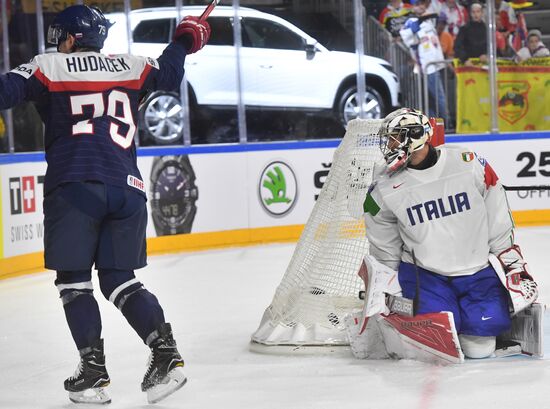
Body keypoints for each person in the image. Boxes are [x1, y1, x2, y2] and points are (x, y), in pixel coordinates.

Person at [0, 5, 210, 404]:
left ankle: (93, 372)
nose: (55, 43)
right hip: (127, 188)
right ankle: (166, 356)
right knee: (119, 279)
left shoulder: (48, 66)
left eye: (58, 36)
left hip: (75, 185)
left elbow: (5, 92)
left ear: (71, 39)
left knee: (74, 282)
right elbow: (168, 71)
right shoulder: (131, 64)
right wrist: (184, 38)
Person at [346, 108, 539, 362]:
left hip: (477, 272)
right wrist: (385, 286)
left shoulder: (468, 164)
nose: (389, 145)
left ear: (415, 137)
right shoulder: (382, 188)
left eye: (394, 137)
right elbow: (384, 243)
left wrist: (512, 263)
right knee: (441, 341)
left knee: (479, 350)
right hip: (424, 276)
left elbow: (498, 216)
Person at [400, 0, 448, 122]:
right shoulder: (410, 22)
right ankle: (447, 124)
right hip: (426, 66)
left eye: (422, 4)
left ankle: (436, 125)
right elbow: (407, 39)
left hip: (437, 63)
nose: (420, 7)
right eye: (417, 5)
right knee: (438, 97)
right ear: (412, 7)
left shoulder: (428, 19)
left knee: (432, 99)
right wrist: (412, 30)